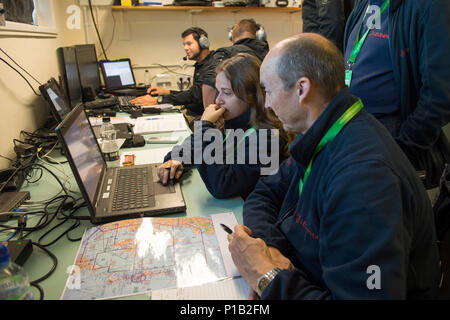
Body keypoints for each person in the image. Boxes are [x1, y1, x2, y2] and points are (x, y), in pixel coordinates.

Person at [227, 34, 440, 299]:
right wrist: (272, 249)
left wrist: (267, 278)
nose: (267, 104)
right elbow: (264, 192)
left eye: (268, 90)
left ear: (302, 89)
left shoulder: (364, 179)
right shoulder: (323, 133)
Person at [343, 0, 450, 189]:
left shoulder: (431, 5)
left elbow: (440, 94)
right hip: (354, 136)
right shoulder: (365, 2)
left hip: (392, 144)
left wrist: (403, 148)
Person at [157, 53, 289, 200]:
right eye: (218, 91)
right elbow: (192, 146)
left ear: (251, 96)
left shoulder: (268, 138)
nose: (218, 100)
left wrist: (205, 128)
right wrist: (177, 159)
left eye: (226, 93)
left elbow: (222, 185)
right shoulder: (233, 122)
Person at [130, 27, 217, 116]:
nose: (185, 48)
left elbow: (194, 96)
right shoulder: (201, 64)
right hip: (193, 113)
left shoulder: (212, 66)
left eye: (189, 44)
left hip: (201, 118)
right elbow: (193, 93)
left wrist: (158, 100)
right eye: (184, 44)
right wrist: (166, 92)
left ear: (203, 43)